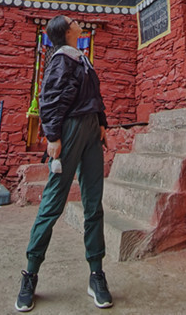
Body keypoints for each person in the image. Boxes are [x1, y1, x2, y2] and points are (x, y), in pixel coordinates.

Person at [15, 15, 113, 311]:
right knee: (53, 203)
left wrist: (102, 123)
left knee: (93, 203)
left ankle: (96, 273)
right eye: (73, 21)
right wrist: (53, 136)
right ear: (67, 31)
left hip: (91, 130)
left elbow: (94, 95)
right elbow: (49, 98)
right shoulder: (61, 60)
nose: (77, 22)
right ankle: (30, 273)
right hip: (69, 131)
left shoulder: (81, 58)